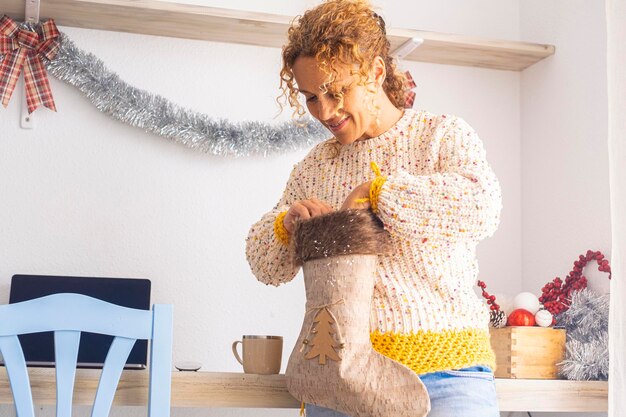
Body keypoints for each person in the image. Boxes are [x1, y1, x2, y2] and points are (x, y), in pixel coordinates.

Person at [245, 1, 503, 416]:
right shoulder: (314, 168)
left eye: (335, 91)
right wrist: (285, 225)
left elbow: (481, 205)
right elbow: (264, 265)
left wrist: (379, 194)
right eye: (311, 97)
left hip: (446, 377)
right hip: (339, 382)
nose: (324, 112)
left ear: (376, 73)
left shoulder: (439, 135)